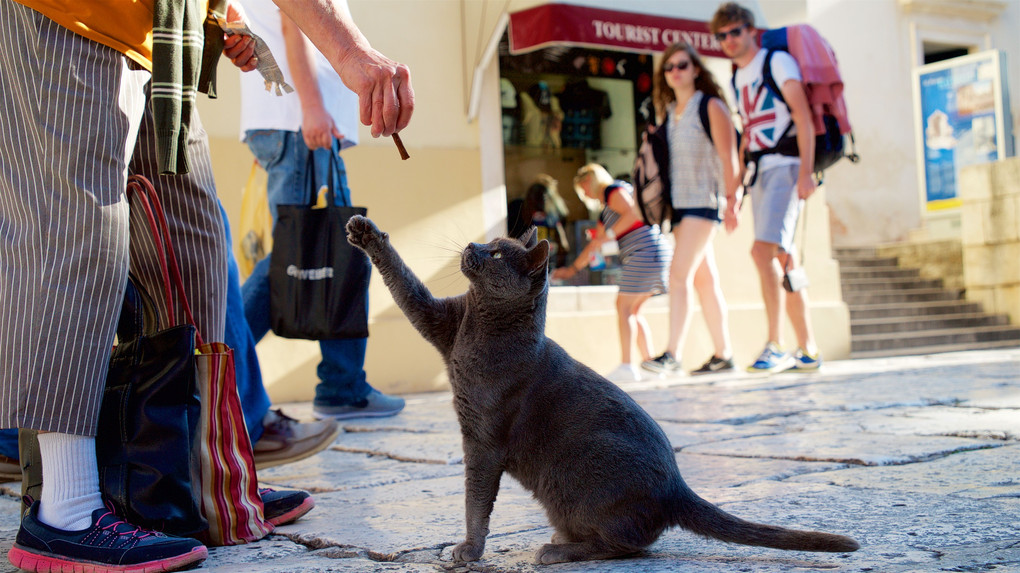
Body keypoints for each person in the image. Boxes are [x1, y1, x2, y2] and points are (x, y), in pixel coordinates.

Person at [0, 0, 413, 571]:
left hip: (160, 41)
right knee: (79, 229)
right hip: (71, 14)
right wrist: (348, 49)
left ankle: (195, 483)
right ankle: (62, 511)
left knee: (195, 243)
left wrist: (217, 17)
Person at [238, 0, 405, 421]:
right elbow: (294, 26)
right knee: (294, 257)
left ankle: (341, 384)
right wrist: (310, 108)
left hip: (297, 126)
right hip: (302, 125)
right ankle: (211, 370)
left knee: (333, 249)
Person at [710, 2, 820, 373]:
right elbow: (747, 135)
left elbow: (803, 118)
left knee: (762, 252)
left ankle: (774, 343)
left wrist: (807, 173)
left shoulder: (777, 62)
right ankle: (808, 348)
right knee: (784, 257)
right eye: (721, 35)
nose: (728, 40)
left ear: (750, 30)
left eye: (734, 32)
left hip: (787, 167)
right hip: (760, 173)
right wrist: (735, 191)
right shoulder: (737, 76)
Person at [640, 42, 741, 377]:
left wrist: (732, 200)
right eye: (668, 67)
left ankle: (672, 354)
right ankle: (724, 354)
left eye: (682, 65)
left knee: (677, 275)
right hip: (680, 208)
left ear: (696, 69)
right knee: (705, 282)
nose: (675, 72)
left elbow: (729, 157)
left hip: (705, 203)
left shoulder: (710, 106)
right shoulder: (670, 113)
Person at [552, 164, 671, 383]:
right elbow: (594, 246)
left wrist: (608, 235)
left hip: (644, 251)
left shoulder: (613, 191)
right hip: (652, 252)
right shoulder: (607, 207)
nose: (585, 194)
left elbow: (634, 213)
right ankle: (649, 364)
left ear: (589, 179)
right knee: (633, 310)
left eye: (583, 189)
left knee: (623, 307)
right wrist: (571, 270)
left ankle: (627, 366)